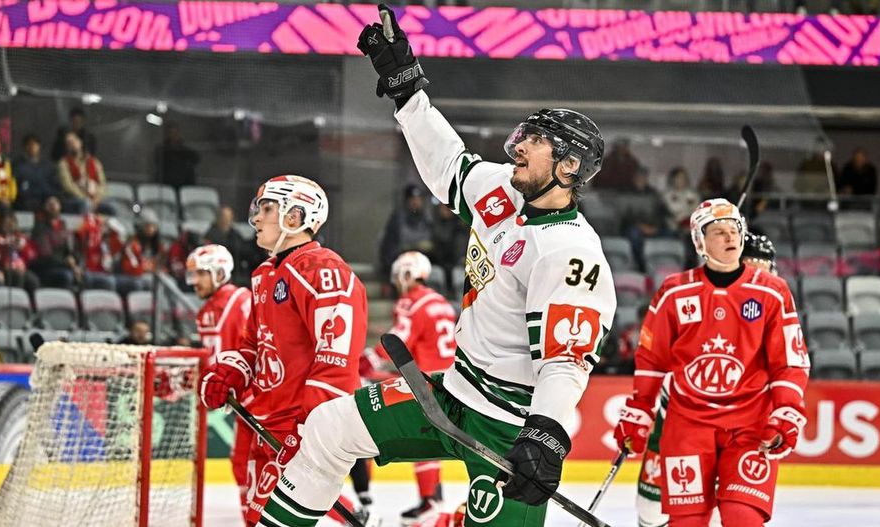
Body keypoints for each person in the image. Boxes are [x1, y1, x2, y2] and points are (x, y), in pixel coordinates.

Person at [254, 8, 617, 527]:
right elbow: (447, 162)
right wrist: (407, 92)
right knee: (328, 429)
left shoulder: (569, 251)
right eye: (525, 134)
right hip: (450, 394)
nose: (518, 145)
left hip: (509, 428)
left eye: (536, 141)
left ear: (569, 166)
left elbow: (566, 360)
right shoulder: (500, 192)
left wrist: (547, 436)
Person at [614, 199, 808, 527]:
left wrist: (785, 409)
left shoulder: (773, 292)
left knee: (742, 518)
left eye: (735, 230)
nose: (730, 237)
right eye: (719, 231)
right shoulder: (675, 292)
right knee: (682, 520)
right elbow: (651, 359)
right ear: (699, 242)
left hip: (750, 427)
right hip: (687, 426)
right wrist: (641, 408)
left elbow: (789, 360)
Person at [197, 174, 368, 526]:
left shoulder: (323, 270)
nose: (256, 218)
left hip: (300, 432)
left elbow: (336, 362)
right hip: (265, 426)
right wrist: (231, 371)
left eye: (267, 208)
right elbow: (252, 345)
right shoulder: (264, 275)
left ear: (296, 215)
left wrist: (308, 433)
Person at [632, 229, 778, 527]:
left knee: (735, 507)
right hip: (682, 422)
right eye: (751, 268)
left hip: (740, 427)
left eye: (764, 271)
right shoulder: (701, 297)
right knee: (652, 511)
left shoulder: (770, 304)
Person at [374, 251, 457, 525]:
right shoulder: (441, 302)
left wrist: (369, 359)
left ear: (407, 273)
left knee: (422, 438)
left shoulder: (413, 301)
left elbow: (399, 340)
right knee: (433, 438)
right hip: (452, 379)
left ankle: (430, 502)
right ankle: (434, 498)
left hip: (427, 380)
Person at [186, 243, 253, 518]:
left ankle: (353, 513)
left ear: (219, 272)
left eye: (201, 274)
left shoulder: (243, 300)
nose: (194, 282)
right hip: (245, 403)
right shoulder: (205, 313)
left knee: (283, 466)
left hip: (263, 397)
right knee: (242, 464)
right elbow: (210, 359)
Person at [378, 183, 434, 289]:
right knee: (407, 272)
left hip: (424, 260)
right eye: (412, 199)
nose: (415, 202)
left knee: (436, 274)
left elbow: (435, 244)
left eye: (418, 199)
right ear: (407, 201)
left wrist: (430, 248)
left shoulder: (427, 218)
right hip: (402, 260)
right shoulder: (397, 218)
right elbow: (388, 247)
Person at [56, 131, 107, 214]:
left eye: (74, 141)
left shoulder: (95, 162)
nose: (72, 145)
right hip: (74, 199)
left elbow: (103, 184)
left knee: (113, 207)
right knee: (86, 203)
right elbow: (68, 186)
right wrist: (85, 196)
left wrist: (97, 197)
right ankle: (86, 226)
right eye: (69, 143)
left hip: (95, 198)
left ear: (80, 142)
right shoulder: (63, 163)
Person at [13, 133, 59, 212]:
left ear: (39, 146)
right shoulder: (17, 165)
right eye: (29, 145)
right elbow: (17, 185)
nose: (32, 147)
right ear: (24, 147)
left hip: (46, 198)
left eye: (35, 144)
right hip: (26, 200)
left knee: (54, 204)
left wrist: (52, 197)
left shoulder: (47, 166)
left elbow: (55, 185)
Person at [0, 129, 16, 214]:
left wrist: (9, 197)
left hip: (5, 201)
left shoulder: (5, 163)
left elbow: (9, 182)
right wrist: (0, 198)